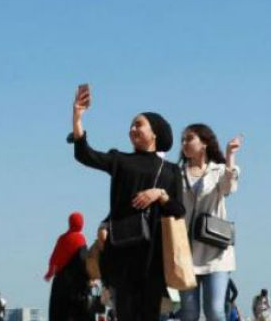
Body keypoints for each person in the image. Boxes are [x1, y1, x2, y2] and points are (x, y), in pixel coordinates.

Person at [68, 84, 185, 321]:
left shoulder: (171, 171)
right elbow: (85, 155)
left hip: (153, 256)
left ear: (155, 133)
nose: (132, 129)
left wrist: (159, 194)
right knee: (126, 314)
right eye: (131, 125)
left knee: (149, 315)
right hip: (121, 252)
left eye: (139, 124)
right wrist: (77, 119)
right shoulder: (120, 160)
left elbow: (179, 211)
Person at [178, 124, 242, 321]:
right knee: (188, 313)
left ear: (204, 143)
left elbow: (228, 188)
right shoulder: (176, 173)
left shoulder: (219, 171)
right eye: (183, 140)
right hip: (186, 253)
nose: (184, 143)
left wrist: (230, 155)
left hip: (216, 252)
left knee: (214, 311)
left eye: (189, 139)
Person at [44, 212, 90, 321]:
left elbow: (54, 258)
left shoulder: (62, 239)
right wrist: (89, 279)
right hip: (75, 286)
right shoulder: (80, 239)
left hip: (59, 284)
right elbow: (83, 262)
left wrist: (50, 273)